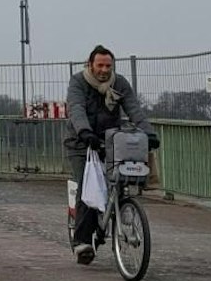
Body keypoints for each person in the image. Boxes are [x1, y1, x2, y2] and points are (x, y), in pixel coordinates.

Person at [65, 45, 154, 264]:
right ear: (90, 64)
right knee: (87, 184)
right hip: (81, 142)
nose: (104, 70)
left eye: (108, 66)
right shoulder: (78, 82)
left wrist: (149, 133)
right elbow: (76, 108)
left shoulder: (119, 83)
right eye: (100, 65)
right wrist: (85, 132)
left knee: (120, 181)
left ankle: (119, 214)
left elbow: (133, 109)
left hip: (111, 140)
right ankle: (82, 242)